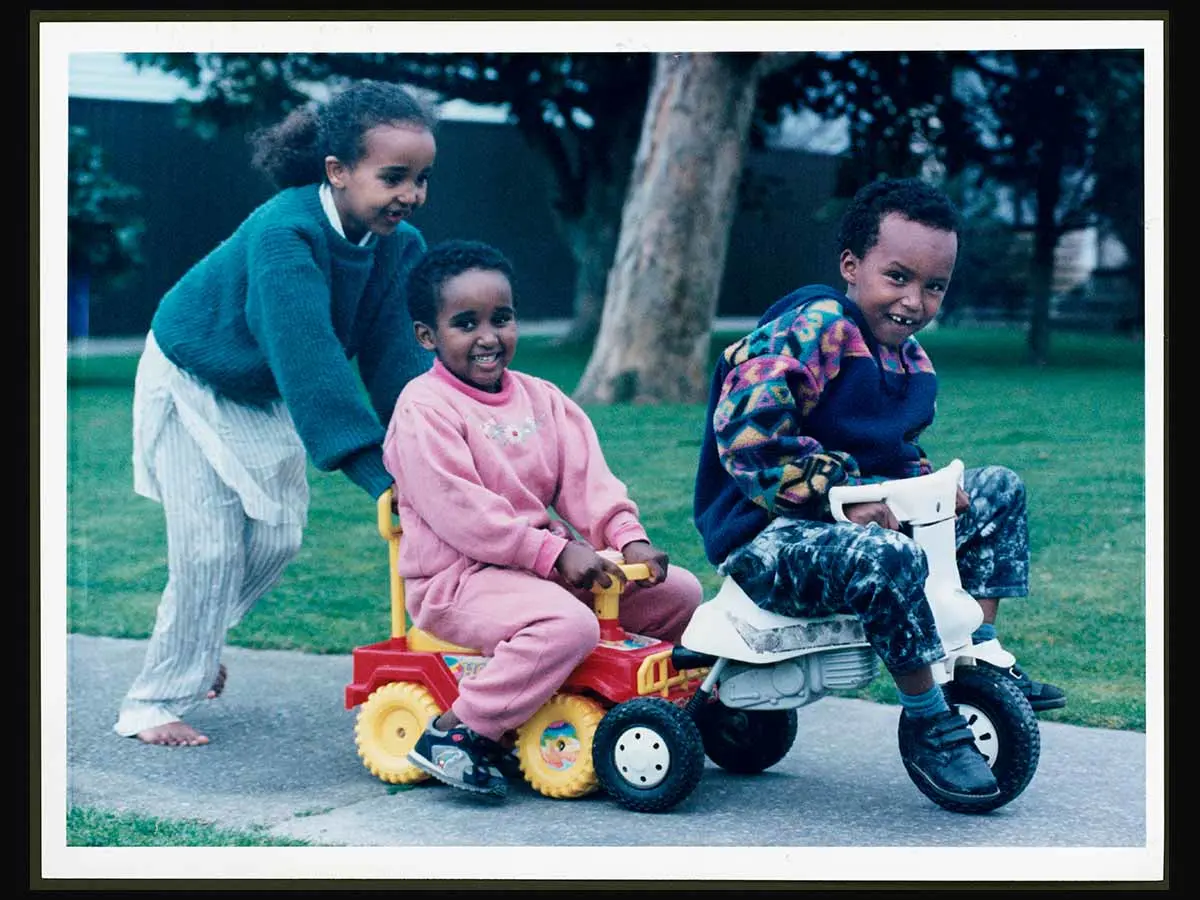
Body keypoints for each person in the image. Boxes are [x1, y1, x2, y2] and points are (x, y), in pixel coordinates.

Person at [693, 176, 1066, 805]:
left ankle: (977, 650)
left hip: (850, 519)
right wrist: (836, 496)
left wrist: (927, 487)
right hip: (766, 535)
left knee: (997, 490)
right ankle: (927, 718)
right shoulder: (814, 327)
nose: (914, 301)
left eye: (934, 286)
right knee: (882, 553)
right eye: (898, 276)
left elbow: (891, 452)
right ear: (851, 266)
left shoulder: (908, 359)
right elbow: (748, 436)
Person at [117, 80, 438, 747]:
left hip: (260, 386)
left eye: (422, 178)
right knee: (207, 549)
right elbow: (312, 364)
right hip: (193, 370)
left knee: (279, 535)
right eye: (394, 177)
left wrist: (430, 450)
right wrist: (382, 476)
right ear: (338, 171)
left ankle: (198, 640)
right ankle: (151, 703)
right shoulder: (284, 235)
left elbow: (395, 359)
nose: (411, 194)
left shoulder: (399, 246)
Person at [382, 239, 704, 798]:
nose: (489, 337)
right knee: (568, 624)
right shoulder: (423, 409)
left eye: (501, 318)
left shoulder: (542, 398)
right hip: (458, 581)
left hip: (537, 570)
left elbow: (587, 483)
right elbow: (465, 516)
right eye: (466, 323)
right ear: (427, 337)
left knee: (679, 592)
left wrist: (628, 539)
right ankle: (458, 732)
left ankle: (651, 708)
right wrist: (552, 553)